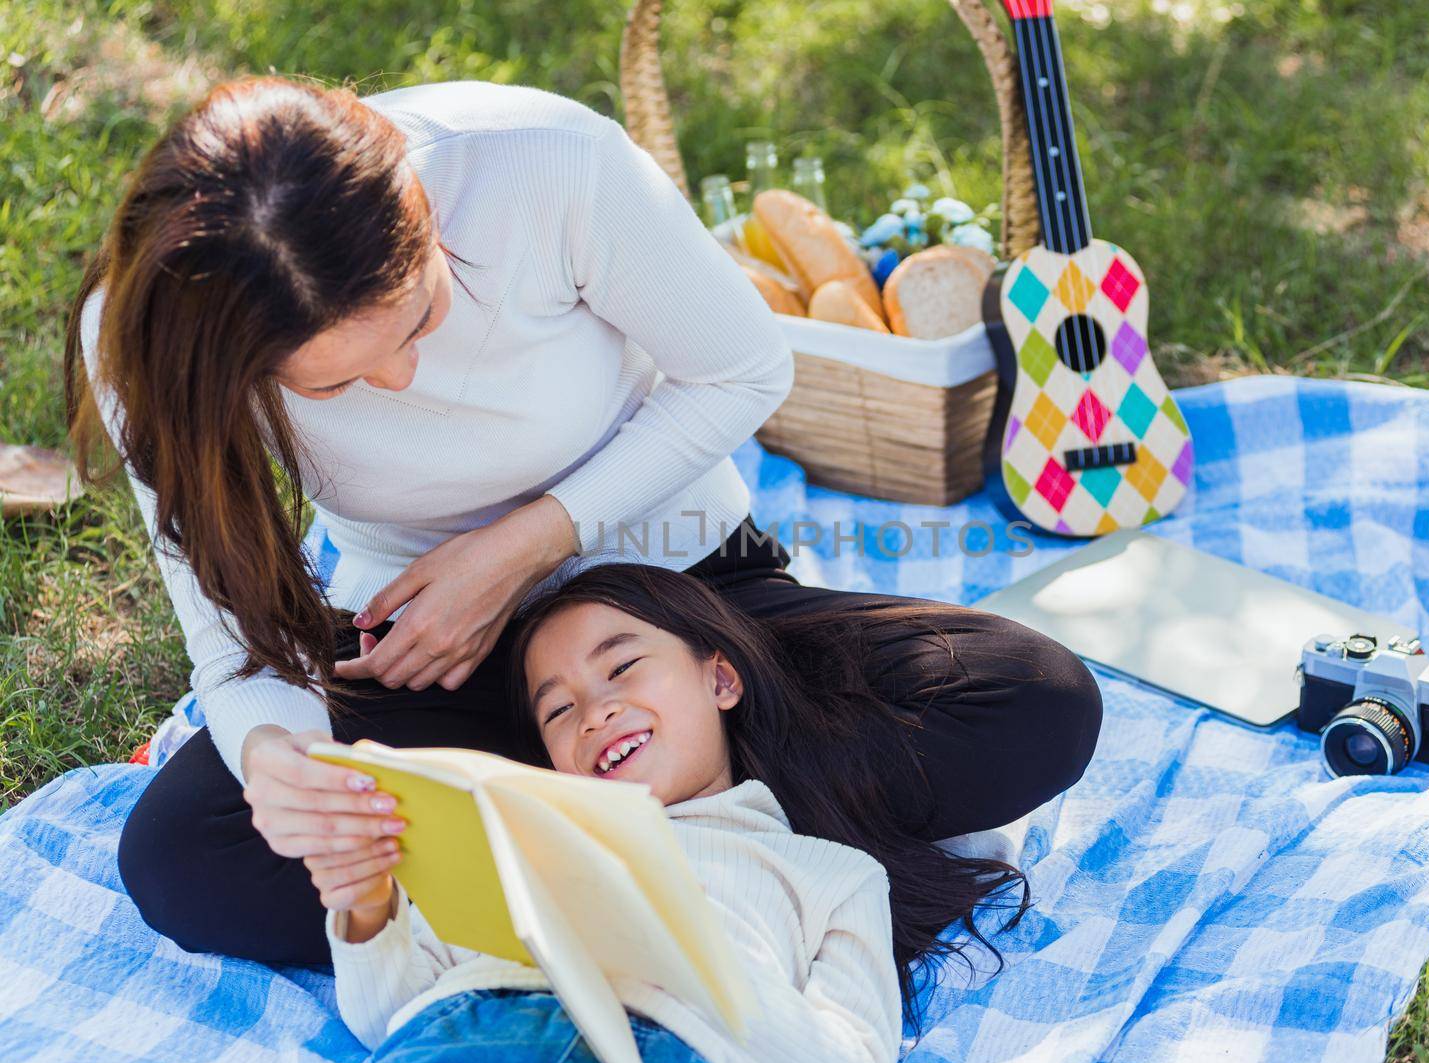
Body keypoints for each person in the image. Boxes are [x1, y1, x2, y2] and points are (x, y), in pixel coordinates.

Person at [63, 74, 1103, 965]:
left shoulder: (545, 164)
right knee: (186, 857)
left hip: (678, 592)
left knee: (1031, 700)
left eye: (420, 316)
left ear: (421, 209)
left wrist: (525, 546)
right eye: (337, 385)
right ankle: (707, 865)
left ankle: (538, 879)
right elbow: (237, 637)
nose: (403, 378)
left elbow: (743, 369)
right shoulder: (152, 339)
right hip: (428, 658)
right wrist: (283, 771)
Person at [314, 562, 1030, 1063]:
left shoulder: (833, 875)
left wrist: (691, 957)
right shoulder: (518, 833)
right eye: (558, 709)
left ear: (720, 678)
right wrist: (366, 908)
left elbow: (849, 1056)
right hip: (465, 1033)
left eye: (621, 667)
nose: (595, 713)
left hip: (669, 1043)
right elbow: (388, 1018)